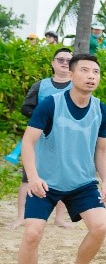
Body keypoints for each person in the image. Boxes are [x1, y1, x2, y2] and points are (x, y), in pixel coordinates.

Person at [16, 53, 106, 264]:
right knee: (32, 233)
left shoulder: (101, 110)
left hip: (82, 182)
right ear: (70, 75)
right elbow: (28, 143)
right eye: (84, 70)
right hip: (45, 181)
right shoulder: (50, 104)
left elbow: (102, 150)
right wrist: (33, 177)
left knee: (100, 227)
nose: (91, 76)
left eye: (96, 72)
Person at [15, 47, 74, 228]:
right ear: (53, 63)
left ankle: (59, 218)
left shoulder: (76, 86)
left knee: (64, 179)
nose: (64, 63)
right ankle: (21, 217)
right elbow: (26, 107)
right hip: (39, 140)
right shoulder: (40, 85)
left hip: (66, 141)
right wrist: (45, 120)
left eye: (68, 60)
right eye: (60, 59)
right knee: (28, 178)